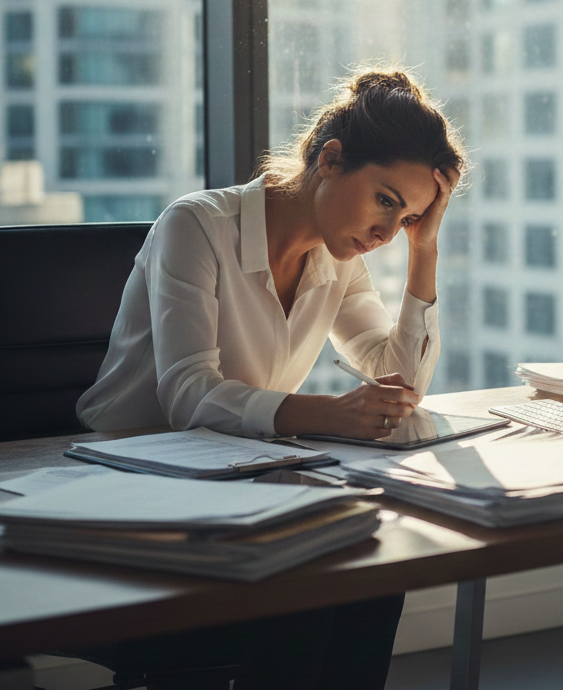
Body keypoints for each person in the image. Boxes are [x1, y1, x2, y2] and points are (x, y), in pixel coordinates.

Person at [70, 67, 466, 690]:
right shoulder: (197, 226)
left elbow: (401, 381)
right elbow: (186, 395)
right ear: (330, 159)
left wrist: (427, 253)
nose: (387, 233)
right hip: (125, 480)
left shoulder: (339, 258)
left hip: (232, 480)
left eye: (409, 218)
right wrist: (331, 414)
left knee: (373, 577)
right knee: (308, 594)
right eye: (386, 201)